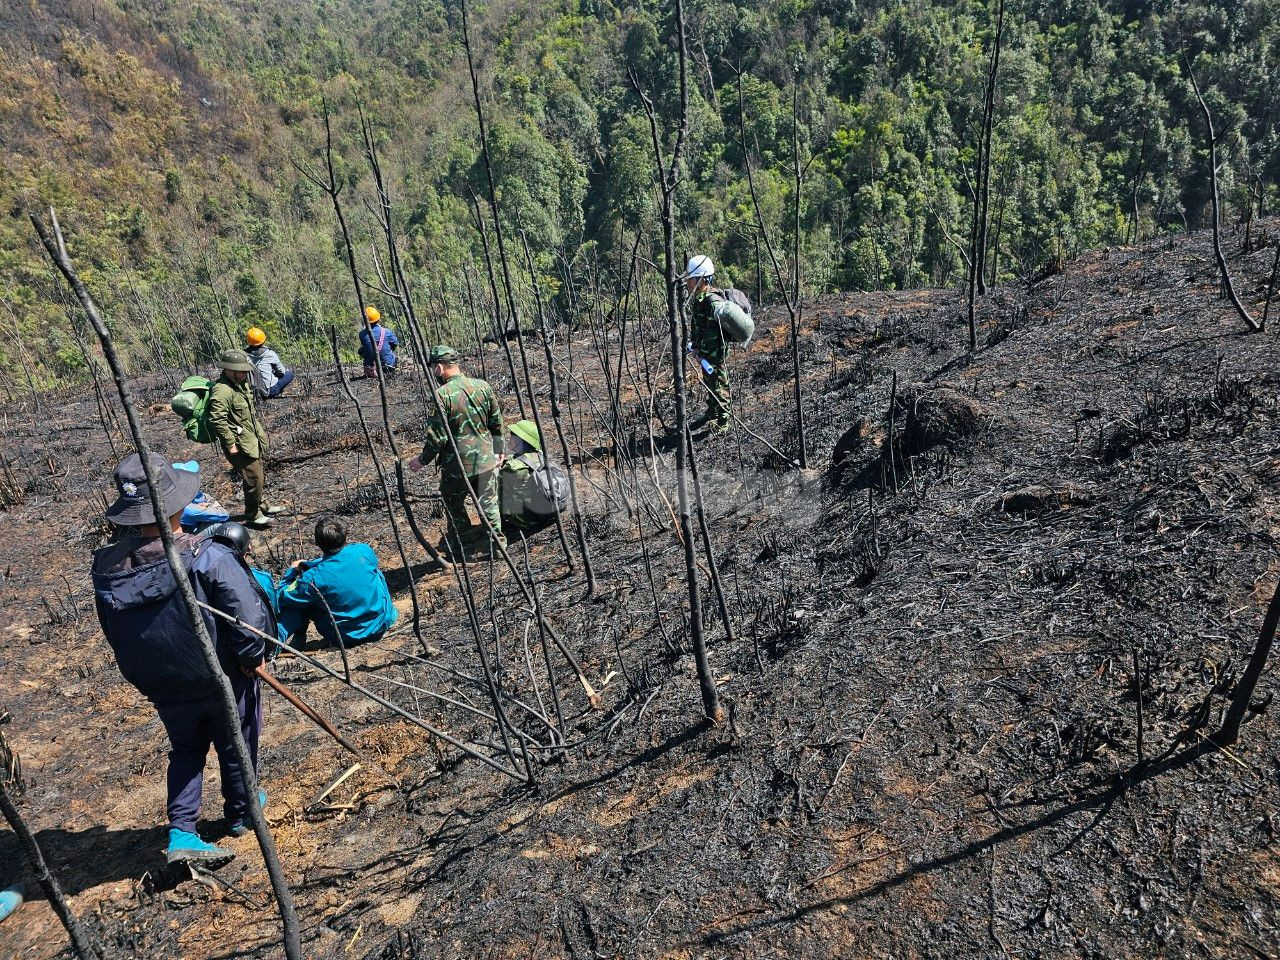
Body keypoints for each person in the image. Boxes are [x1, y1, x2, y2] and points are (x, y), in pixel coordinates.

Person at [91, 453, 274, 866]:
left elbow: (112, 629)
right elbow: (247, 617)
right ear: (176, 504)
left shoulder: (106, 567)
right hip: (221, 675)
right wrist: (250, 657)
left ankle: (182, 832)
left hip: (163, 683)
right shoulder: (206, 555)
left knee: (186, 748)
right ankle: (243, 811)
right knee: (237, 737)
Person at [408, 345, 504, 558]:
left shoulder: (442, 395)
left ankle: (465, 545)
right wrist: (499, 450)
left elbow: (437, 437)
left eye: (434, 368)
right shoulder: (483, 386)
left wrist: (421, 460)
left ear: (439, 368)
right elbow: (497, 423)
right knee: (489, 502)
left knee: (453, 501)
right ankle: (498, 548)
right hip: (486, 458)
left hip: (457, 465)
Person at [276, 515, 398, 647]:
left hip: (345, 638)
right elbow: (339, 565)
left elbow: (282, 596)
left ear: (317, 543)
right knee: (374, 572)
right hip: (381, 623)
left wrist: (291, 572)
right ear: (344, 536)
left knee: (302, 597)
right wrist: (312, 564)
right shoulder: (363, 551)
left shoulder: (311, 579)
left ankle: (295, 638)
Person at [207, 349, 283, 529]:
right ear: (229, 370)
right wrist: (230, 443)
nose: (244, 373)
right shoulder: (222, 391)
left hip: (250, 439)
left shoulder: (240, 385)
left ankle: (263, 506)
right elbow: (217, 419)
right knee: (253, 479)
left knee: (258, 476)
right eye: (241, 370)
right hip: (239, 445)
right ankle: (252, 515)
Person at [209, 521, 288, 648]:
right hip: (256, 645)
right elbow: (274, 610)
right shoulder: (262, 579)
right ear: (249, 548)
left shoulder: (204, 578)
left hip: (218, 643)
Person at [685, 254, 731, 434]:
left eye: (691, 279)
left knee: (719, 385)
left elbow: (713, 333)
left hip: (714, 353)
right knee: (710, 384)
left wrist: (701, 350)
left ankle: (723, 420)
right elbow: (699, 326)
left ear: (702, 279)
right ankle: (712, 412)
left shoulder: (711, 301)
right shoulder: (700, 299)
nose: (688, 282)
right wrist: (695, 345)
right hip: (705, 352)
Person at [499, 419, 563, 535]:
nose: (510, 439)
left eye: (513, 436)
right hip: (554, 511)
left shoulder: (512, 467)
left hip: (528, 521)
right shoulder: (544, 457)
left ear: (521, 440)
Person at [244, 327, 294, 399]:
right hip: (270, 391)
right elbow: (281, 372)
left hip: (252, 390)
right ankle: (276, 391)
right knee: (289, 374)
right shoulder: (270, 354)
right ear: (263, 340)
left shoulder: (243, 355)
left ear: (248, 341)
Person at [357, 306, 398, 379]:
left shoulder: (362, 334)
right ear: (378, 319)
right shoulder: (387, 332)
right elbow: (395, 344)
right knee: (392, 351)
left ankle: (372, 366)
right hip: (388, 367)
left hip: (371, 369)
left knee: (361, 350)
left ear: (365, 321)